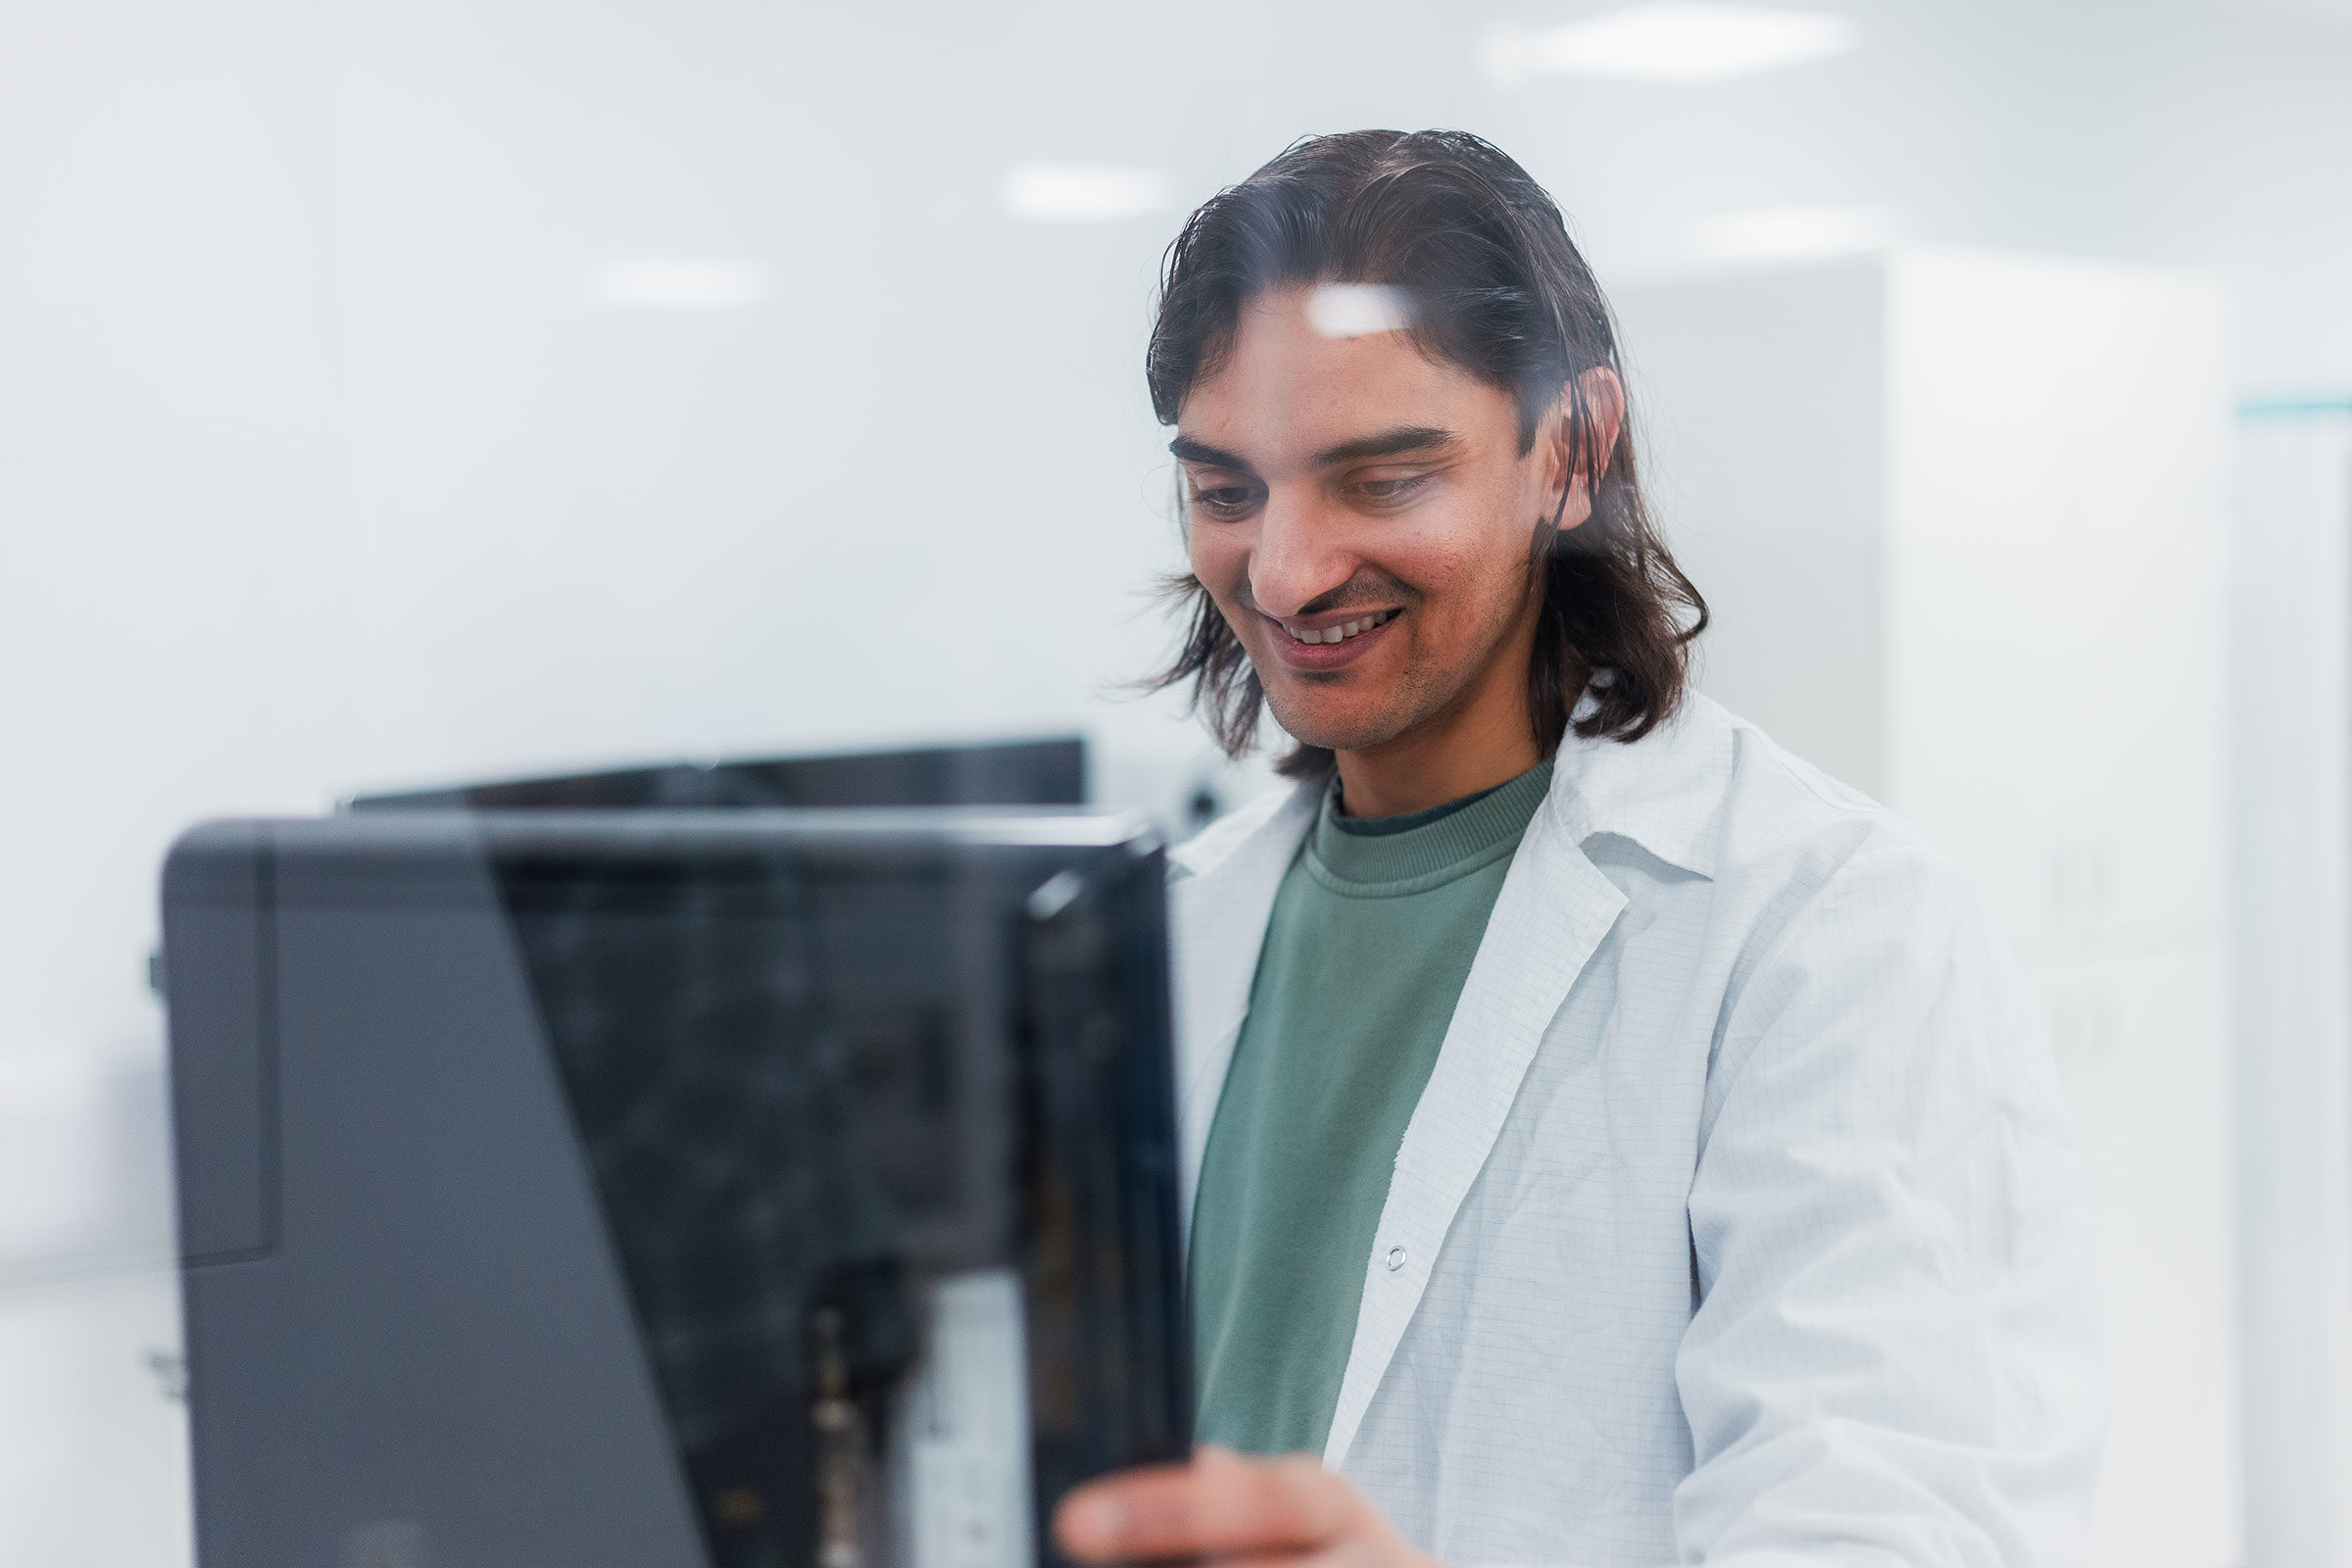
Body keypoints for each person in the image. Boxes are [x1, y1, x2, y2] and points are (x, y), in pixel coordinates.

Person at [1053, 130, 2101, 1568]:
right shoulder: (1163, 932)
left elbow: (1889, 1529)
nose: (1287, 571)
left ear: (1573, 451)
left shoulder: (1826, 936)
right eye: (1228, 489)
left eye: (1383, 479)